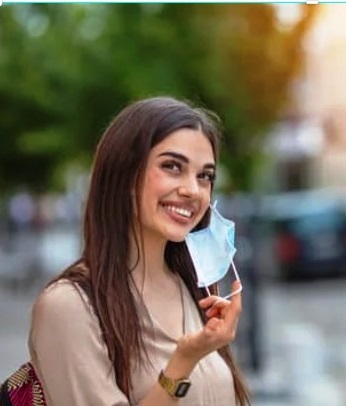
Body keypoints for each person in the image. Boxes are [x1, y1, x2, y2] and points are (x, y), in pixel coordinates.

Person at [27, 97, 250, 405]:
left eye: (205, 176)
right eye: (172, 167)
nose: (192, 190)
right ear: (125, 175)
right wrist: (182, 363)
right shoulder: (69, 306)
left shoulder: (195, 289)